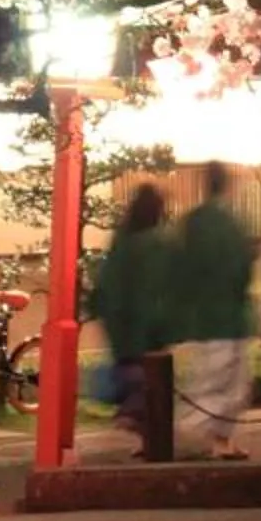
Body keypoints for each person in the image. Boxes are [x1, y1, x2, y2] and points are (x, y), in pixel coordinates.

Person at [172, 161, 261, 460]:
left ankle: (219, 441)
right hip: (228, 316)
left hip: (202, 315)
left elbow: (182, 266)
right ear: (227, 185)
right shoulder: (231, 222)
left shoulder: (192, 221)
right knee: (230, 384)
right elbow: (241, 268)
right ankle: (191, 431)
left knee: (211, 379)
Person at [94, 184, 173, 458]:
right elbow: (163, 287)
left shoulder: (122, 240)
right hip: (147, 328)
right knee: (151, 386)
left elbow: (105, 281)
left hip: (120, 326)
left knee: (131, 376)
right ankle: (134, 419)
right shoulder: (156, 243)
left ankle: (141, 432)